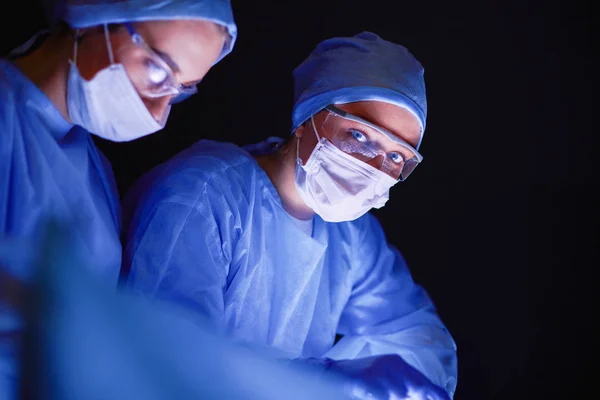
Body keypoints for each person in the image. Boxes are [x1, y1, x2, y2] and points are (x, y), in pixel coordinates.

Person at [122, 32, 457, 399]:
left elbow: (418, 334)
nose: (374, 167)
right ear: (307, 116)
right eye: (360, 137)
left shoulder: (351, 238)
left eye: (396, 157)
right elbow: (170, 358)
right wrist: (327, 382)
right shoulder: (202, 196)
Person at [0, 0, 236, 397]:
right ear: (94, 19)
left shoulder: (91, 167)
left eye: (181, 91)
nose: (161, 112)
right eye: (158, 70)